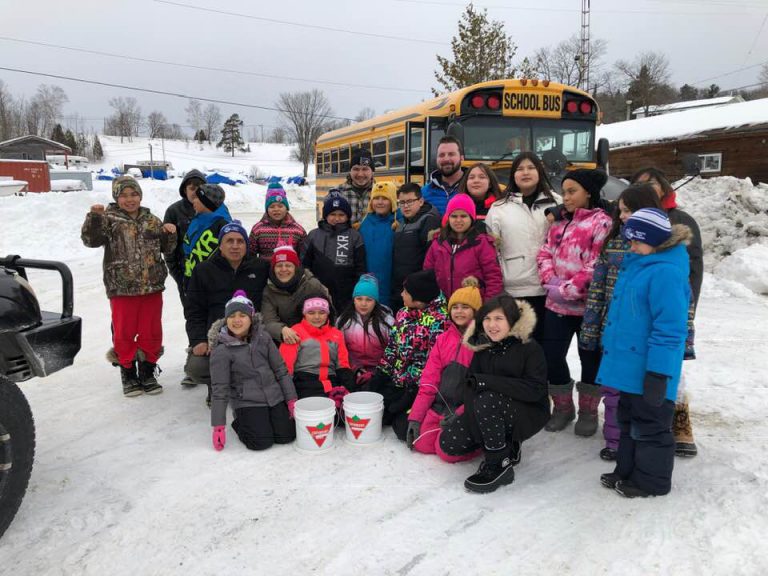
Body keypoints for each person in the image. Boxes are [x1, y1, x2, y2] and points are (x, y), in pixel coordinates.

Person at [596, 209, 690, 498]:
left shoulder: (666, 272)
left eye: (636, 241)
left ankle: (652, 481)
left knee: (650, 427)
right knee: (628, 421)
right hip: (629, 366)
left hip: (650, 369)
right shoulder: (639, 264)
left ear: (655, 241)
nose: (631, 246)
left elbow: (670, 329)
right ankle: (627, 470)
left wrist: (659, 372)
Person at [579, 183, 664, 461]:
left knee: (640, 393)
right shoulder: (613, 242)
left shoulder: (661, 247)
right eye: (622, 210)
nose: (625, 216)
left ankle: (640, 441)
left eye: (632, 210)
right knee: (613, 390)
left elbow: (676, 302)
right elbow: (598, 289)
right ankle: (615, 441)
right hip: (612, 331)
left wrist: (684, 341)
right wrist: (590, 328)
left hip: (644, 335)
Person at [439, 295, 549, 494]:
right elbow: (470, 389)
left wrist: (487, 382)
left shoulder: (529, 348)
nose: (492, 325)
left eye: (499, 319)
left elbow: (536, 390)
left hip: (528, 411)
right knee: (450, 442)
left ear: (512, 320)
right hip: (487, 409)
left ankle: (499, 464)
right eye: (487, 319)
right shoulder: (483, 348)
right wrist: (470, 424)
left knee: (487, 399)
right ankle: (503, 442)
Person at [81, 175, 176, 397]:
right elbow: (90, 240)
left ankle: (147, 372)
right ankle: (128, 373)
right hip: (121, 288)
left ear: (140, 196)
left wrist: (170, 233)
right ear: (116, 197)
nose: (129, 199)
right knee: (124, 333)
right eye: (123, 195)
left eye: (133, 194)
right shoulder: (108, 219)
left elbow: (167, 248)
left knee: (151, 332)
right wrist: (94, 217)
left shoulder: (152, 220)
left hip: (152, 287)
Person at [631, 167, 703, 458]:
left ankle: (680, 420)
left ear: (664, 186)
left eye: (651, 183)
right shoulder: (630, 220)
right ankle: (642, 422)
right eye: (640, 183)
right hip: (638, 306)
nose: (647, 187)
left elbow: (694, 267)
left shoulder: (681, 220)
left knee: (670, 363)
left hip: (671, 304)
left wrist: (689, 307)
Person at [536, 169, 612, 436]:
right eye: (564, 192)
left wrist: (567, 289)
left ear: (588, 192)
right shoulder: (559, 222)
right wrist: (550, 280)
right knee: (551, 356)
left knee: (590, 357)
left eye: (572, 191)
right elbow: (545, 252)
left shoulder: (601, 223)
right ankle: (563, 407)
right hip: (556, 306)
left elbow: (596, 264)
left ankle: (589, 411)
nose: (565, 197)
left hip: (588, 308)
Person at [183, 220, 270, 402]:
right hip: (217, 337)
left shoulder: (260, 268)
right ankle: (217, 386)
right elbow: (194, 311)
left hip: (251, 336)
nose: (235, 246)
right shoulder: (203, 270)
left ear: (247, 245)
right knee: (197, 367)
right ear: (220, 245)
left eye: (240, 241)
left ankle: (244, 384)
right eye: (229, 241)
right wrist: (198, 340)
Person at [209, 290, 297, 451]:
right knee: (260, 442)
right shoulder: (222, 350)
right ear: (226, 319)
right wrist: (218, 426)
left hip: (273, 396)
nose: (237, 320)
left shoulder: (264, 338)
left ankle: (268, 420)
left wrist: (291, 400)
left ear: (251, 318)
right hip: (247, 400)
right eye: (232, 316)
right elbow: (219, 389)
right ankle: (240, 422)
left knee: (287, 435)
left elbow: (280, 370)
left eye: (242, 315)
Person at [485, 152, 561, 340]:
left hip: (550, 288)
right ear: (513, 175)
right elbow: (490, 251)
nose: (525, 172)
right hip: (514, 289)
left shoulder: (558, 203)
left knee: (548, 349)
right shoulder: (499, 208)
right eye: (519, 169)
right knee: (518, 346)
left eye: (531, 167)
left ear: (540, 171)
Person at [406, 277, 482, 463]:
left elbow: (482, 391)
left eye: (465, 307)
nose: (459, 311)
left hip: (467, 409)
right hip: (441, 406)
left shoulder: (482, 342)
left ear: (476, 311)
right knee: (421, 444)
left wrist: (459, 413)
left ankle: (481, 444)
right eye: (455, 307)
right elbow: (429, 382)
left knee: (445, 452)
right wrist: (415, 418)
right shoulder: (443, 339)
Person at [367, 269, 448, 440]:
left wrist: (411, 391)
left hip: (418, 387)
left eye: (406, 291)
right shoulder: (403, 313)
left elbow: (432, 365)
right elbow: (392, 347)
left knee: (401, 427)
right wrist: (380, 375)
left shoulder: (440, 321)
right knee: (375, 413)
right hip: (397, 380)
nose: (401, 294)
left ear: (418, 299)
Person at [423, 194, 503, 301]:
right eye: (454, 216)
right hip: (442, 305)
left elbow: (493, 278)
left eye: (463, 216)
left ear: (471, 218)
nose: (458, 220)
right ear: (448, 218)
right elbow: (428, 275)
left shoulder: (482, 243)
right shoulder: (438, 243)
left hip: (473, 306)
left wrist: (487, 307)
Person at [279, 295, 354, 406]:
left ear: (328, 313)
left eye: (322, 312)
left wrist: (349, 390)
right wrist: (289, 397)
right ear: (304, 313)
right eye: (311, 313)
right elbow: (286, 367)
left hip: (332, 383)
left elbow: (343, 365)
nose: (317, 317)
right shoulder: (295, 332)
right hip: (305, 383)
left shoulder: (336, 334)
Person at [302, 192, 366, 313]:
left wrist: (357, 289)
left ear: (347, 216)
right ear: (325, 215)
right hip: (318, 291)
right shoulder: (313, 235)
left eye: (341, 215)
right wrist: (311, 285)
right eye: (332, 214)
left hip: (346, 293)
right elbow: (304, 264)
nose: (337, 218)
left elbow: (360, 267)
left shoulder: (355, 236)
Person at [261, 245, 330, 344]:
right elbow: (269, 320)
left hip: (314, 338)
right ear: (273, 269)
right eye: (279, 266)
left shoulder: (312, 285)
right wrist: (282, 330)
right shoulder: (269, 291)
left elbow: (329, 312)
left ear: (296, 268)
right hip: (286, 340)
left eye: (288, 265)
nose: (283, 269)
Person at [390, 183, 441, 311]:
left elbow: (432, 257)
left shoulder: (429, 221)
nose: (405, 206)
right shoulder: (402, 223)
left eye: (410, 201)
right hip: (401, 288)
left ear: (421, 201)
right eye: (402, 202)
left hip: (418, 292)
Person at [337, 274, 394, 388]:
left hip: (381, 371)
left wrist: (379, 371)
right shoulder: (343, 321)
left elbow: (393, 351)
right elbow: (340, 350)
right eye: (359, 299)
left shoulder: (387, 322)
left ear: (375, 301)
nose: (363, 304)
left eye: (369, 299)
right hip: (352, 370)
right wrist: (356, 369)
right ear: (353, 300)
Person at [163, 169, 206, 302]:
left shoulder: (212, 209)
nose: (195, 192)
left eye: (199, 188)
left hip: (210, 273)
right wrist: (177, 274)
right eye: (192, 188)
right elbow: (167, 248)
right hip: (186, 274)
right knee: (193, 315)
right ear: (184, 190)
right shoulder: (173, 211)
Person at [182, 183, 232, 291]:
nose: (193, 201)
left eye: (197, 198)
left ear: (206, 202)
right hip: (192, 280)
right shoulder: (197, 219)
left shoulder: (222, 225)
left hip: (213, 286)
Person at [358, 181, 397, 308]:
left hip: (390, 280)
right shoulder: (364, 223)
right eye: (376, 198)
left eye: (385, 198)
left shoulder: (398, 223)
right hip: (367, 279)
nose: (380, 202)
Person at [248, 182, 307, 261]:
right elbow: (250, 255)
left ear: (286, 208)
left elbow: (304, 256)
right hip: (264, 272)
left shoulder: (298, 230)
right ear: (267, 209)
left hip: (289, 272)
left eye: (280, 206)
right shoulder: (258, 229)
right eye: (272, 206)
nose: (276, 209)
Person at [421, 135, 465, 215]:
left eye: (451, 154)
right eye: (441, 155)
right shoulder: (424, 193)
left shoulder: (473, 189)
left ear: (461, 157)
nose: (446, 159)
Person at [337, 148, 376, 225]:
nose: (360, 174)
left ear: (372, 172)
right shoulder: (337, 193)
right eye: (356, 169)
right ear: (350, 171)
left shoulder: (383, 194)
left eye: (365, 169)